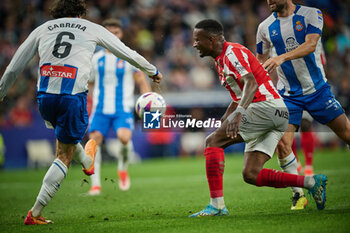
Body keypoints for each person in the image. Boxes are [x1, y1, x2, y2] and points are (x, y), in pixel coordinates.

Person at [0, 0, 162, 225]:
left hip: (44, 97)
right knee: (63, 155)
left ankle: (87, 161)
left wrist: (0, 94)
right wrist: (151, 70)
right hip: (72, 97)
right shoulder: (91, 28)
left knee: (64, 141)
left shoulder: (42, 29)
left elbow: (13, 67)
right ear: (80, 13)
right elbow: (126, 52)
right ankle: (34, 213)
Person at [190, 19, 327, 217]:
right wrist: (225, 119)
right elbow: (238, 98)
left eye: (197, 40)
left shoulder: (232, 53)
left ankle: (217, 206)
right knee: (251, 174)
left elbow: (251, 83)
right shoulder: (221, 59)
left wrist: (239, 114)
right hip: (274, 112)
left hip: (266, 108)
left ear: (211, 40)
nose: (194, 44)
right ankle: (311, 182)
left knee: (212, 142)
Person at [256, 0, 350, 209]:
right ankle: (299, 195)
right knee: (282, 144)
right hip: (288, 95)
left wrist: (281, 57)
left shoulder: (311, 14)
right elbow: (261, 59)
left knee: (346, 133)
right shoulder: (264, 27)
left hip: (317, 90)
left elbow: (311, 45)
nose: (269, 0)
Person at [88, 18, 151, 195]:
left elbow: (141, 80)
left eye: (116, 33)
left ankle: (122, 169)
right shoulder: (95, 59)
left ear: (121, 34)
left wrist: (148, 98)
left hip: (122, 106)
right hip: (100, 108)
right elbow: (90, 82)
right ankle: (95, 183)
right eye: (109, 33)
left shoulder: (129, 56)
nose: (113, 36)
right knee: (94, 142)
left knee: (124, 138)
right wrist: (91, 99)